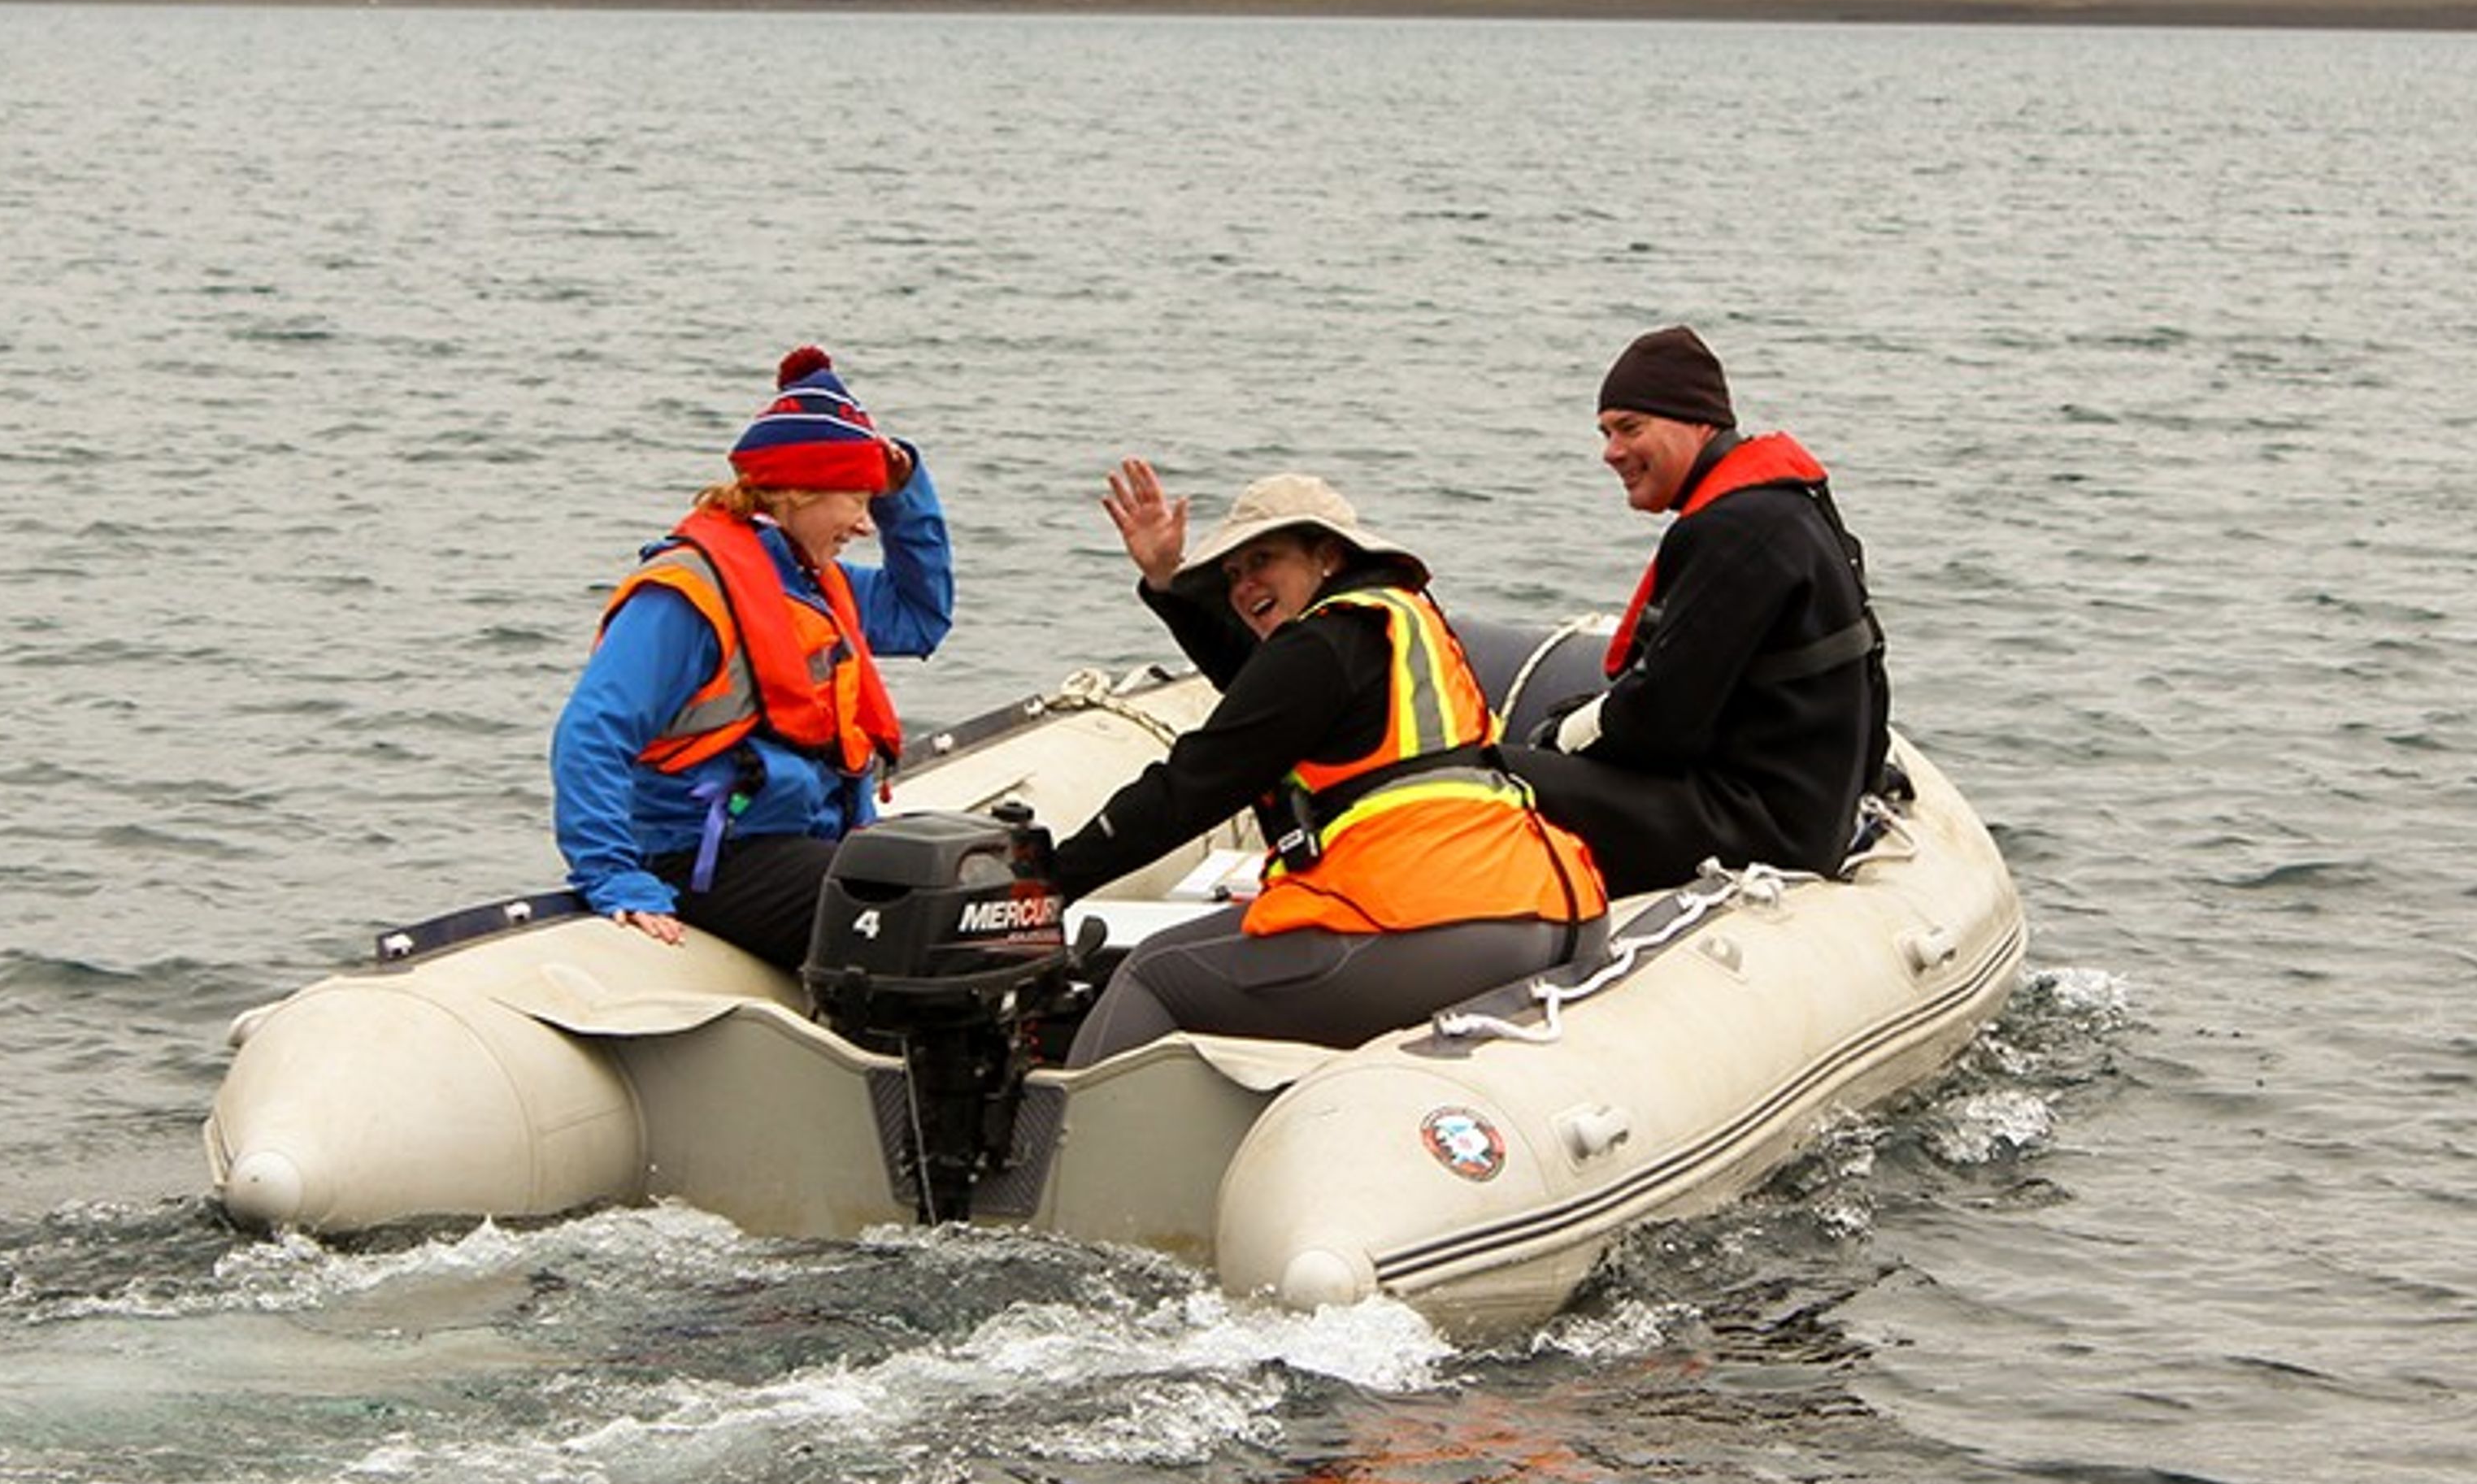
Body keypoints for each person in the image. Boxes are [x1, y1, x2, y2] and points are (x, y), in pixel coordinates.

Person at [1047, 465, 1602, 1065]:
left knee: (1154, 973)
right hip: (1549, 914)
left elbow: (1192, 786)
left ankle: (1049, 1157)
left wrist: (1046, 885)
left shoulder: (1321, 643)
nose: (1242, 586)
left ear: (1328, 556)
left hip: (1434, 922)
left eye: (1263, 560)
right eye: (1231, 574)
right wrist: (1168, 583)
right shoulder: (1402, 622)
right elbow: (1269, 703)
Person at [550, 346, 951, 964]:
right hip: (704, 859)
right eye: (857, 500)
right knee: (913, 903)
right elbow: (591, 733)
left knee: (962, 878)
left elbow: (921, 616)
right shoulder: (688, 594)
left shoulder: (818, 583)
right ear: (796, 492)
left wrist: (905, 497)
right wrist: (611, 875)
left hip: (801, 842)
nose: (866, 526)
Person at [1506, 323, 1894, 891]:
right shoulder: (1792, 507)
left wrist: (1563, 735)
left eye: (1629, 428)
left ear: (1698, 422)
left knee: (1486, 778)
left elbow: (1662, 727)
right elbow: (1871, 674)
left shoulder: (1732, 530)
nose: (1611, 452)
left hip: (1760, 829)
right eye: (1605, 432)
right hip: (1805, 813)